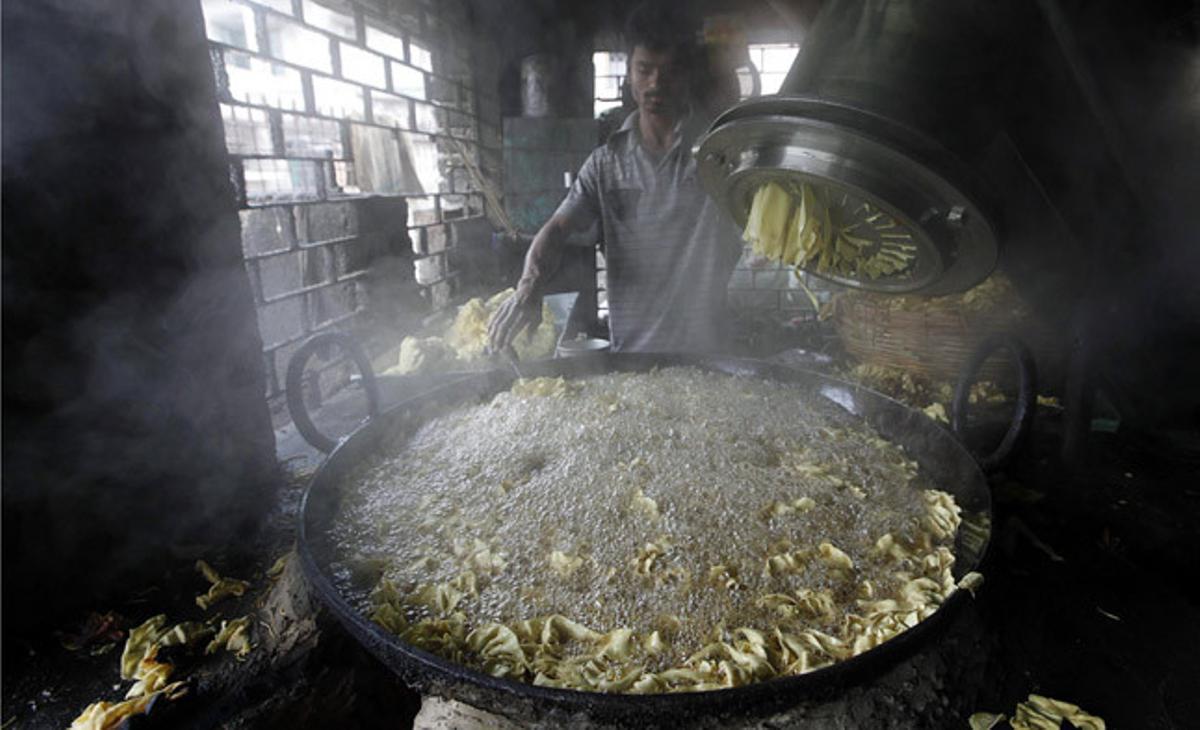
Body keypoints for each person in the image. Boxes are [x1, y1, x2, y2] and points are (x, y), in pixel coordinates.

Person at [488, 2, 744, 354]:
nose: (655, 83)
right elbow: (558, 229)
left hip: (709, 355)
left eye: (668, 72)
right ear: (629, 75)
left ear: (685, 76)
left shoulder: (717, 153)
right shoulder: (605, 164)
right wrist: (528, 288)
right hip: (631, 360)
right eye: (644, 69)